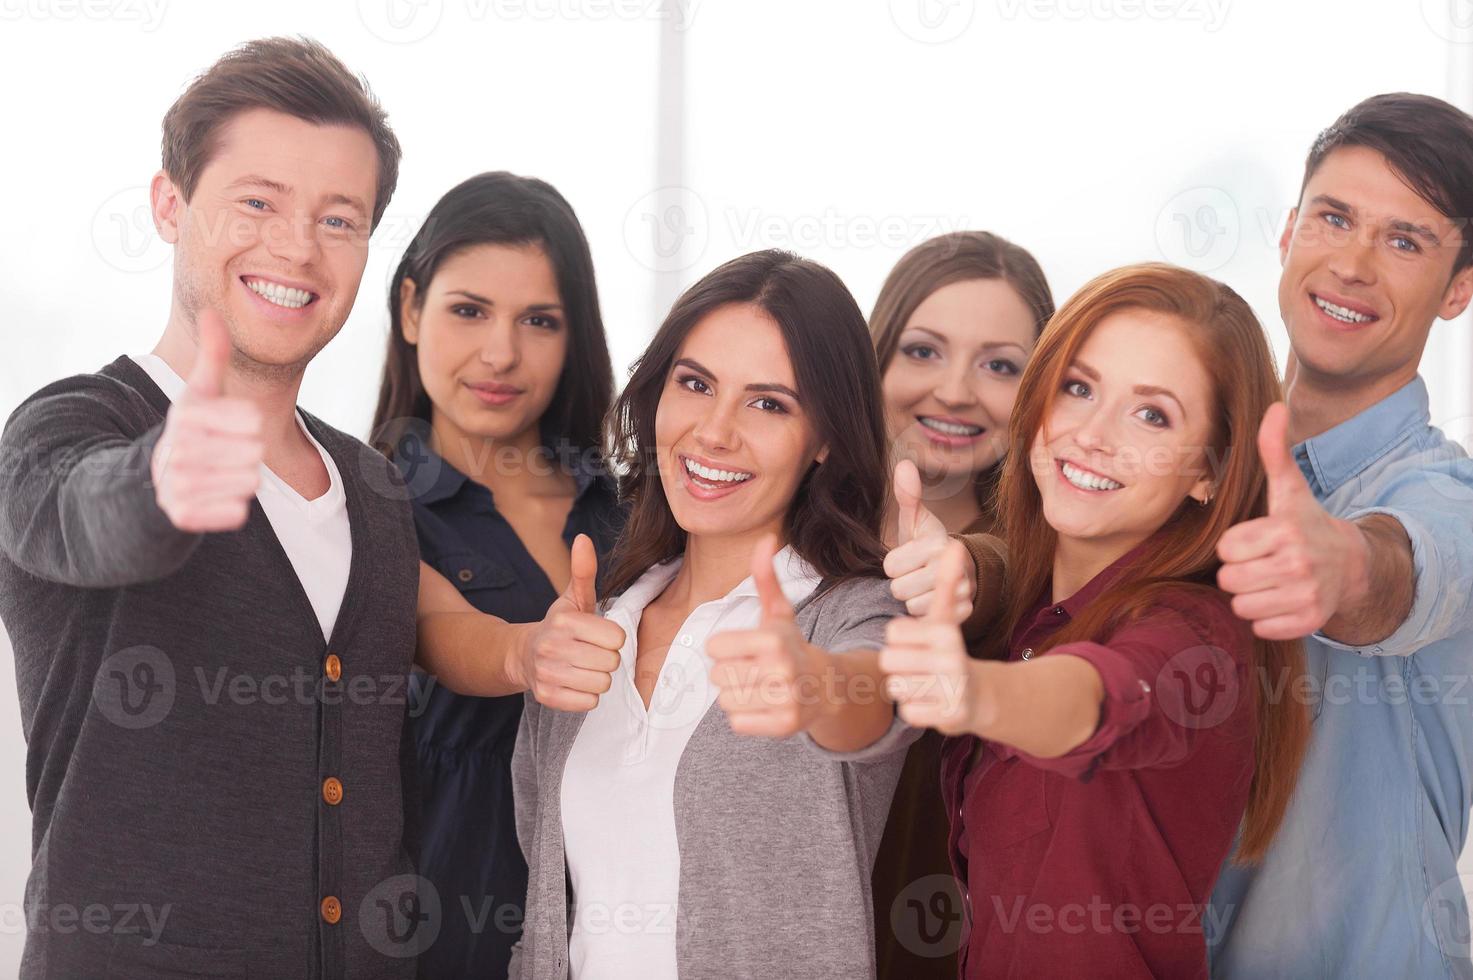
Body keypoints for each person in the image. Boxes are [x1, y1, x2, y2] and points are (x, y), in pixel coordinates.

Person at [0, 37, 418, 977]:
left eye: (339, 219)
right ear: (170, 204)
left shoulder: (375, 490)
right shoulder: (70, 426)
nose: (296, 247)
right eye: (258, 202)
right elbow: (78, 516)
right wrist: (161, 482)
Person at [880, 264, 1309, 977]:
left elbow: (1093, 697)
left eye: (1152, 414)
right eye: (1077, 388)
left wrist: (975, 693)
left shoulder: (1194, 637)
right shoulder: (1036, 612)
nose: (1090, 434)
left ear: (1209, 472)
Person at [509, 249, 918, 980]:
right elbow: (550, 919)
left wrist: (813, 682)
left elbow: (869, 702)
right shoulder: (596, 627)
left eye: (768, 403)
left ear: (823, 438)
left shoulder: (852, 616)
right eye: (695, 384)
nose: (714, 432)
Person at [1204, 94, 1473, 978]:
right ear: (1286, 233)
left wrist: (1344, 568)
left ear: (1458, 289)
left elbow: (1401, 569)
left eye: (1405, 241)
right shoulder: (1198, 469)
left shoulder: (1445, 494)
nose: (1352, 264)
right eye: (1334, 218)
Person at [370, 172, 623, 979]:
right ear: (411, 308)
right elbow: (442, 631)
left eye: (539, 321)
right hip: (449, 927)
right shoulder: (365, 507)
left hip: (631, 922)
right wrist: (526, 653)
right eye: (468, 310)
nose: (500, 353)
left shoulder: (639, 511)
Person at [865, 231, 1054, 975]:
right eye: (922, 351)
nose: (953, 390)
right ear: (873, 355)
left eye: (999, 367)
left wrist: (969, 569)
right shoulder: (785, 522)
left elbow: (1001, 569)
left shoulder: (1038, 570)